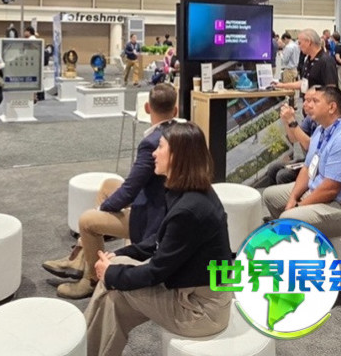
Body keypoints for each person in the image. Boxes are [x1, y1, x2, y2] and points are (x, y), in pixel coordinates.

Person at [83, 122, 233, 356]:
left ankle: (83, 346)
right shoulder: (187, 191)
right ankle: (87, 349)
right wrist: (121, 254)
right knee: (114, 295)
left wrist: (110, 274)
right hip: (192, 291)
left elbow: (157, 272)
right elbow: (159, 239)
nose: (154, 153)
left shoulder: (189, 209)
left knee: (111, 285)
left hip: (200, 311)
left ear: (177, 156)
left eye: (160, 147)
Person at [42, 84, 178, 299]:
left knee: (87, 221)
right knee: (108, 184)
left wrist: (102, 209)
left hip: (152, 219)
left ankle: (92, 278)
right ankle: (81, 257)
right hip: (161, 201)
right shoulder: (178, 131)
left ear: (147, 107)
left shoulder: (152, 142)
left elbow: (130, 190)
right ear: (176, 110)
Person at [262, 86, 341, 237]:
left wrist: (298, 206)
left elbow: (331, 189)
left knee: (290, 217)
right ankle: (291, 241)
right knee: (270, 196)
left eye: (315, 101)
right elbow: (308, 168)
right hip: (324, 192)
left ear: (331, 107)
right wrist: (292, 199)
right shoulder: (321, 130)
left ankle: (295, 243)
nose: (308, 105)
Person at [261, 86, 317, 187]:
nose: (304, 104)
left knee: (283, 175)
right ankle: (274, 194)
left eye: (309, 101)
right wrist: (287, 121)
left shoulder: (324, 121)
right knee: (273, 168)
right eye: (304, 100)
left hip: (317, 166)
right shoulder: (310, 118)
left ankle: (289, 195)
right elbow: (294, 138)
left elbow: (309, 145)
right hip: (308, 160)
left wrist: (292, 121)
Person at [271, 28, 338, 92]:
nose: (299, 46)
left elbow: (331, 89)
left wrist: (314, 95)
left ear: (308, 42)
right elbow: (304, 83)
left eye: (300, 43)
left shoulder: (326, 61)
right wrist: (282, 85)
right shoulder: (308, 60)